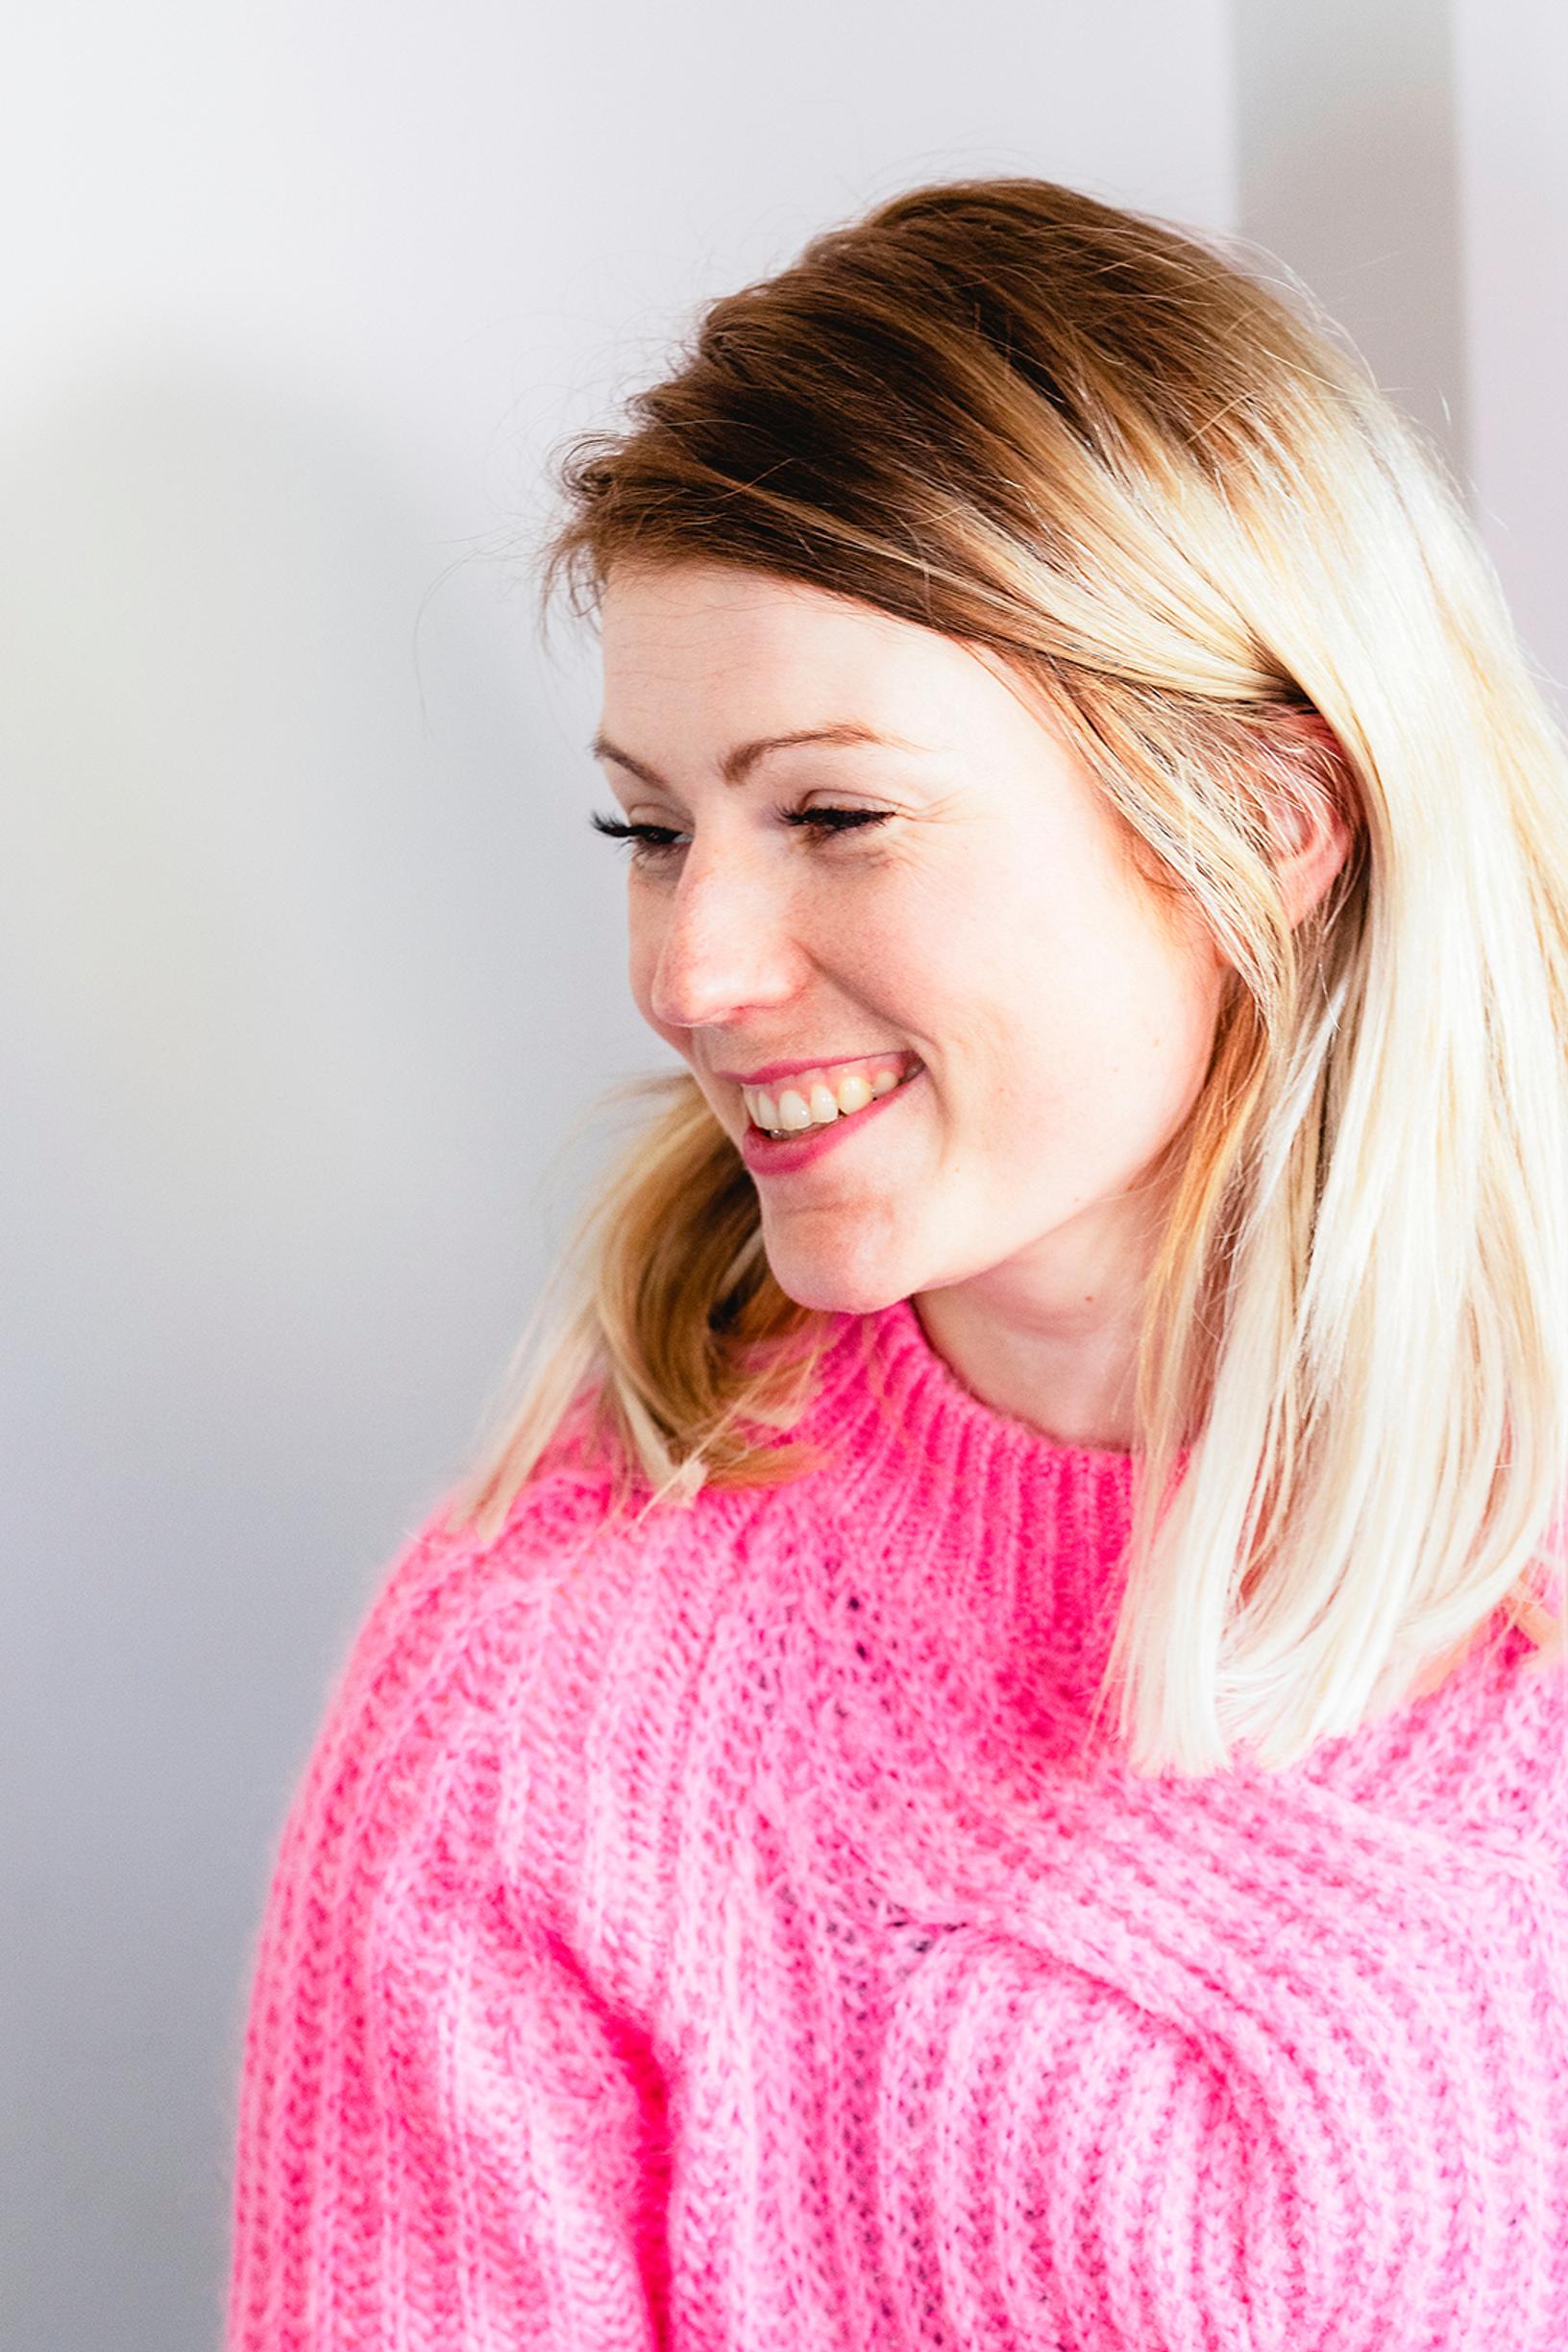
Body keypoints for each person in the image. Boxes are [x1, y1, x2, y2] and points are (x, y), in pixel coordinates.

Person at [224, 177, 1568, 2349]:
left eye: (834, 816)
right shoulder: (539, 1708)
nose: (692, 971)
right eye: (652, 830)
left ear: (1266, 820)